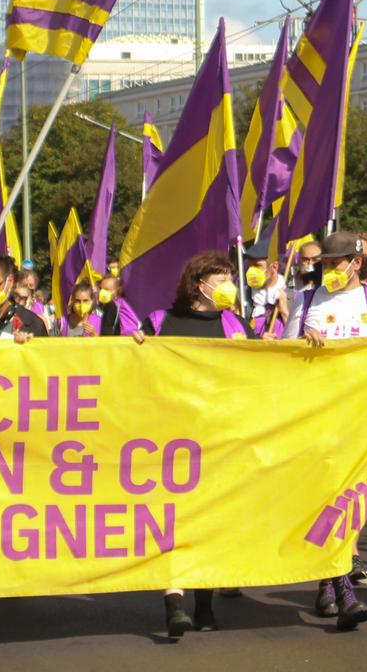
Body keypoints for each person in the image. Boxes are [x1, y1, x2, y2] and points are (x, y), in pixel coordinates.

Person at [288, 231, 367, 631]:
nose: (330, 270)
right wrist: (301, 342)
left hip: (364, 417)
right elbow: (282, 361)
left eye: (336, 263)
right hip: (318, 417)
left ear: (356, 261)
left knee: (350, 504)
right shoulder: (307, 301)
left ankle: (328, 579)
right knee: (327, 498)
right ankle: (344, 587)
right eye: (325, 264)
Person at [145, 252, 247, 638]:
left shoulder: (234, 325)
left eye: (229, 279)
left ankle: (204, 606)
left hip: (218, 439)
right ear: (199, 283)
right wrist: (135, 346)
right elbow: (127, 365)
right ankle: (173, 601)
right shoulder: (160, 322)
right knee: (172, 523)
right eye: (220, 280)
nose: (228, 287)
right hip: (169, 440)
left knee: (208, 524)